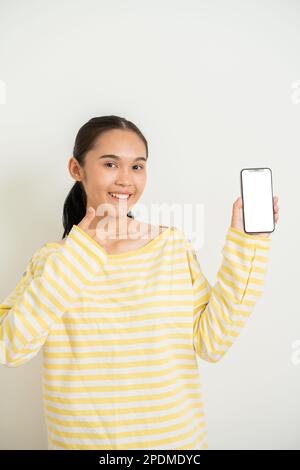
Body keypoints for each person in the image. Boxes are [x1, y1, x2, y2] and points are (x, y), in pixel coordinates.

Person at [0, 115, 279, 450]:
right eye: (110, 164)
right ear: (76, 169)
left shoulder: (171, 246)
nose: (125, 180)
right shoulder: (53, 260)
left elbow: (212, 343)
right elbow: (10, 348)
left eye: (137, 167)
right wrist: (81, 252)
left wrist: (249, 243)